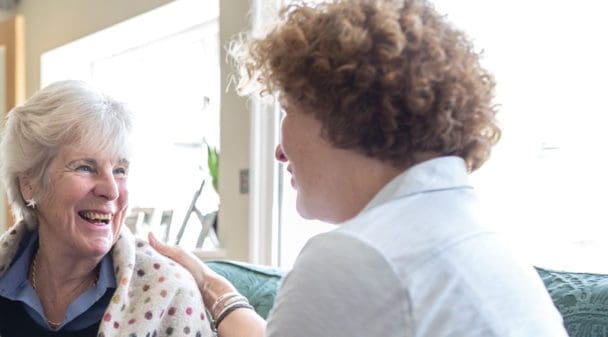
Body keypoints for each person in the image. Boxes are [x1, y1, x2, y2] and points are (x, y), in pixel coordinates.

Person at [149, 0, 568, 336]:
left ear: (344, 114)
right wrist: (212, 287)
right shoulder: (473, 238)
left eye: (287, 110)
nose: (279, 151)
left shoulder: (356, 259)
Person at [0, 80, 212, 337]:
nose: (111, 190)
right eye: (85, 167)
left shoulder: (168, 291)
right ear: (29, 184)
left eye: (119, 170)